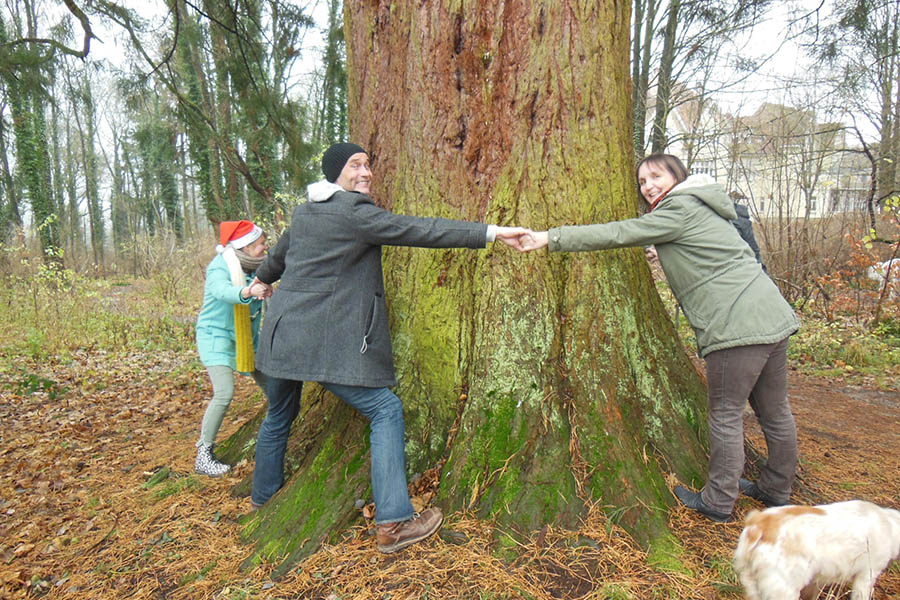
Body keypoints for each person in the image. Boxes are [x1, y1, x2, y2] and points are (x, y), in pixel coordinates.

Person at [249, 142, 529, 552]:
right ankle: (395, 524)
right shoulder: (355, 212)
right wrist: (491, 232)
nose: (365, 172)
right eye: (354, 165)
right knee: (385, 409)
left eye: (367, 164)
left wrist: (262, 279)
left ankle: (264, 499)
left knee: (279, 414)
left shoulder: (306, 211)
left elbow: (280, 253)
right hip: (321, 342)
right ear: (335, 174)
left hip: (282, 338)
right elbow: (419, 229)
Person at [520, 154, 800, 522]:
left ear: (677, 175)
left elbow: (617, 233)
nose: (648, 185)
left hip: (736, 327)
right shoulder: (706, 204)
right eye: (642, 181)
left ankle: (718, 502)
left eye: (656, 176)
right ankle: (776, 489)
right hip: (772, 314)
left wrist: (549, 237)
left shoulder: (677, 208)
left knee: (726, 415)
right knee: (775, 411)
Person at [194, 220, 270, 477]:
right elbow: (222, 291)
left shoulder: (256, 268)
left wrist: (265, 289)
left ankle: (279, 427)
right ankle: (203, 454)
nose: (265, 247)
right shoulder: (220, 266)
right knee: (225, 392)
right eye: (261, 244)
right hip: (215, 338)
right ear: (246, 247)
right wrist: (248, 291)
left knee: (275, 388)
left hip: (246, 340)